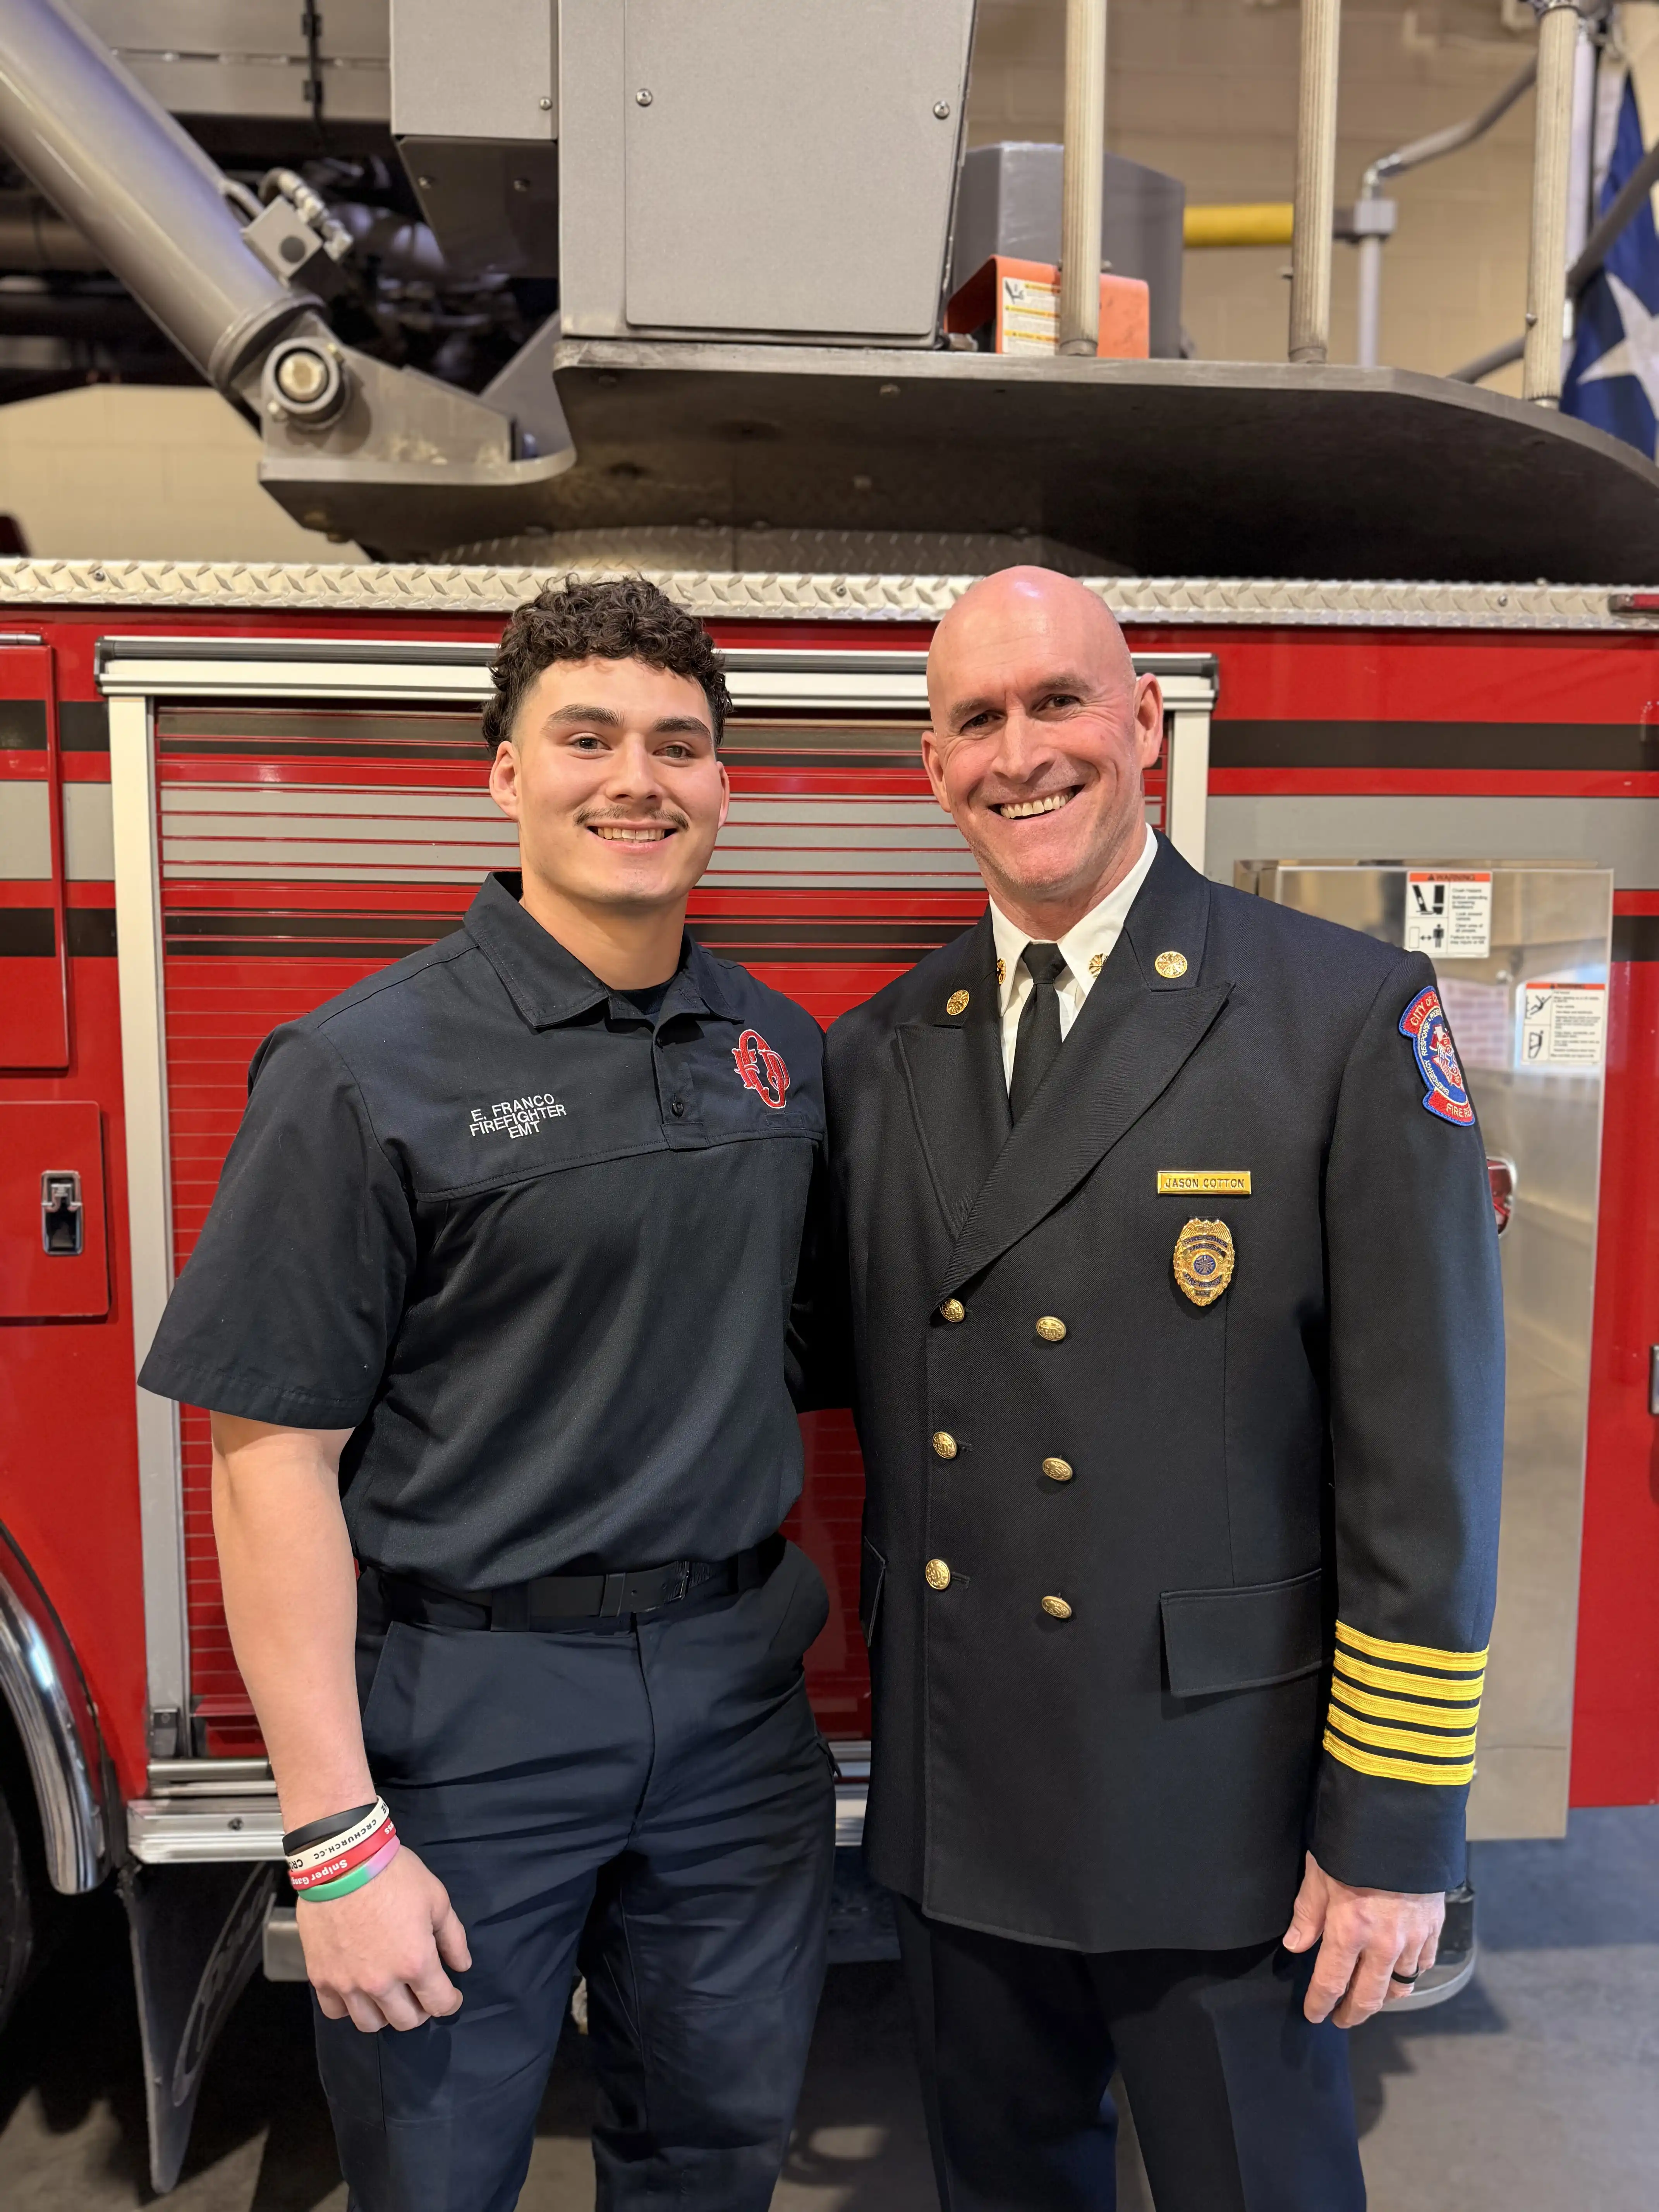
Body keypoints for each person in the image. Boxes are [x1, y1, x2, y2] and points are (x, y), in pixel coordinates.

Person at [139, 577, 836, 2212]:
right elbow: (266, 1462)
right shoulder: (360, 1069)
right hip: (471, 1719)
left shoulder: (782, 1056)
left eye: (679, 744)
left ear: (724, 786)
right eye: (585, 736)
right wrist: (337, 1838)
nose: (636, 780)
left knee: (719, 2152)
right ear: (502, 773)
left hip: (741, 1705)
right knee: (437, 2174)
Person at [823, 566, 1504, 2212]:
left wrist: (1395, 1833)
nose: (1020, 752)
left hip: (1232, 1820)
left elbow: (1424, 1465)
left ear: (1141, 724)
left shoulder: (1339, 1016)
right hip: (967, 1801)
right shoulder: (878, 1050)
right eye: (975, 719)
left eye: (1058, 702)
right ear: (932, 768)